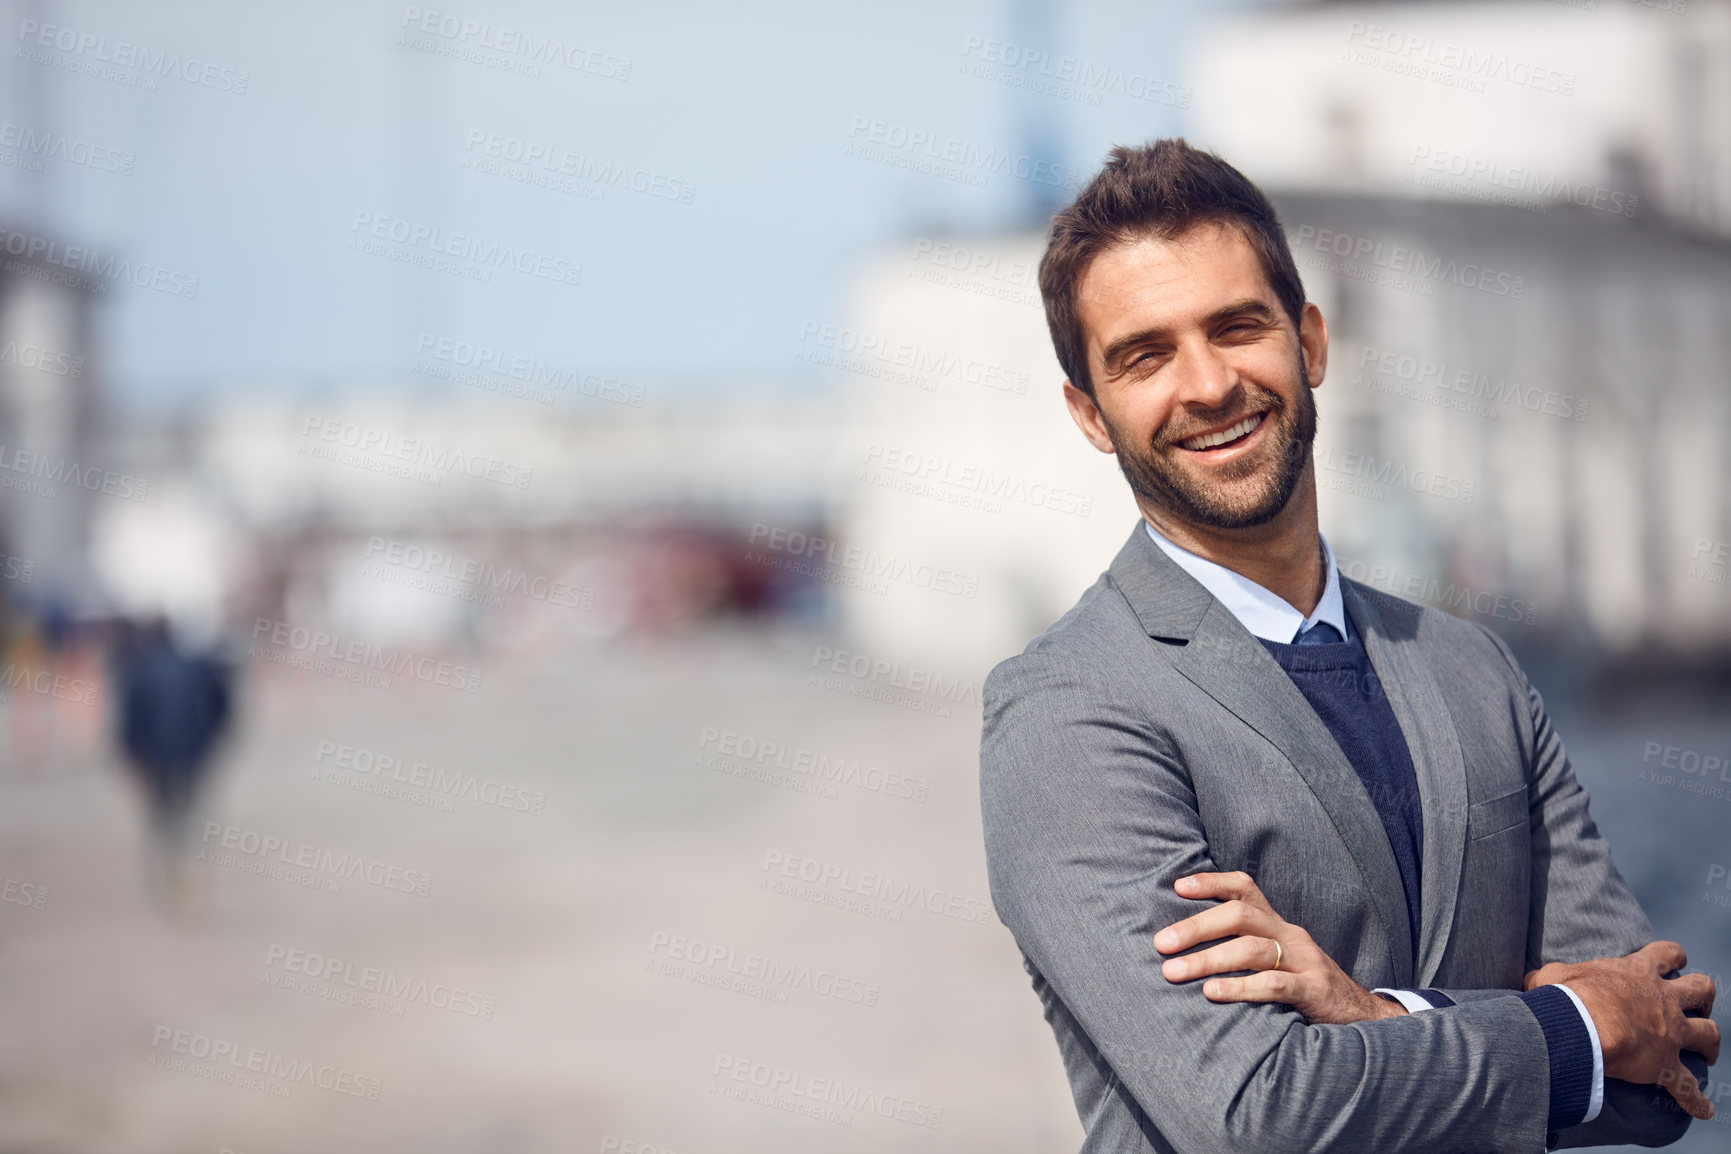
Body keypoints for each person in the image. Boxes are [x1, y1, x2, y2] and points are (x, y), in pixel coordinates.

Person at [978, 139, 1718, 1152]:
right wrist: (1577, 1030)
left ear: (1311, 343)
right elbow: (1254, 1112)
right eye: (1145, 355)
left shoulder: (1476, 669)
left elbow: (1670, 1068)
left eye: (1238, 327)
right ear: (1090, 415)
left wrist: (1377, 1018)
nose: (1206, 384)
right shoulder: (1071, 711)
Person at [113, 615, 234, 911]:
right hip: (193, 754)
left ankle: (173, 867)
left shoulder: (138, 669)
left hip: (154, 759)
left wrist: (130, 754)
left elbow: (128, 719)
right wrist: (211, 741)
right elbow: (223, 705)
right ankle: (185, 865)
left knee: (162, 817)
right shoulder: (199, 664)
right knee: (189, 812)